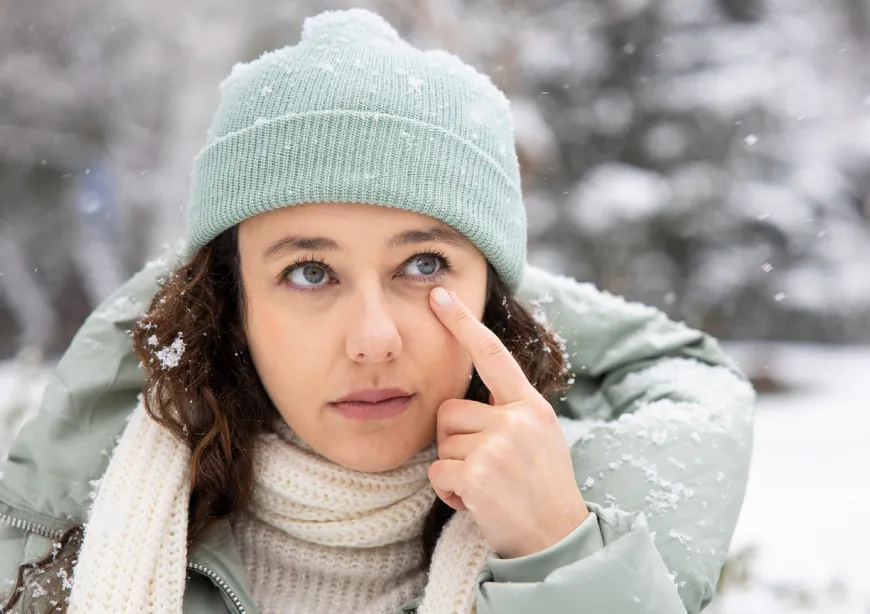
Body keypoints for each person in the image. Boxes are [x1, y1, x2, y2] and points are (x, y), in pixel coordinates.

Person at [0, 9, 755, 614]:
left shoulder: (592, 539)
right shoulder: (60, 561)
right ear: (231, 306)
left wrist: (555, 555)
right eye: (308, 271)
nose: (372, 339)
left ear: (491, 296)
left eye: (424, 266)